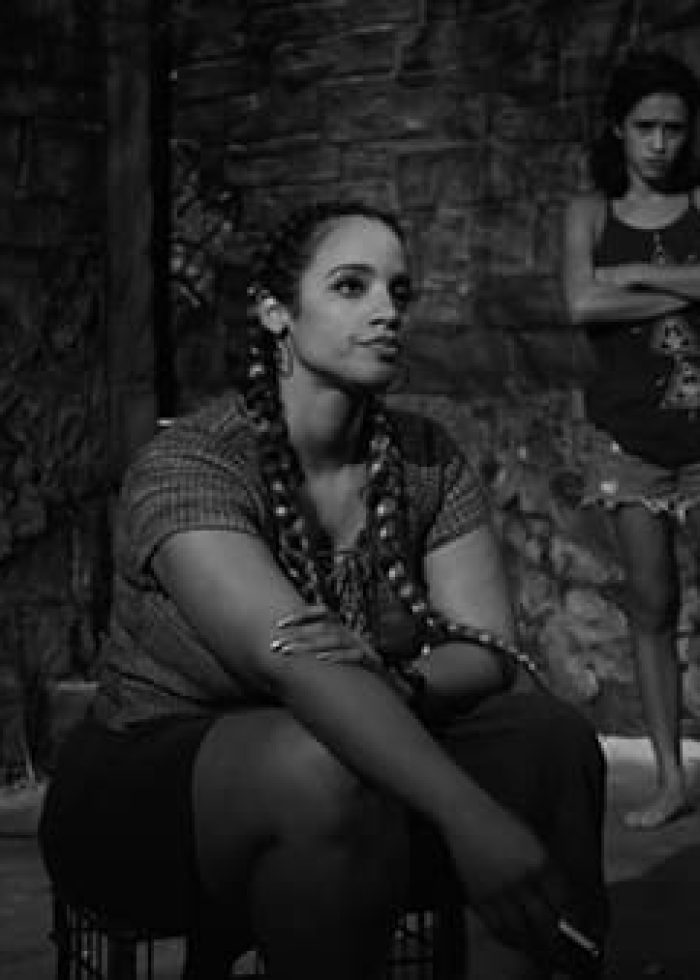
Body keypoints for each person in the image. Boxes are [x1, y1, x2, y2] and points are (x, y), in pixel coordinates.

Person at [40, 200, 608, 979]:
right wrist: (468, 815)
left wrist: (393, 674)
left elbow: (490, 651)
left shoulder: (424, 458)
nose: (385, 312)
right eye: (351, 286)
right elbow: (292, 664)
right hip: (156, 780)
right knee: (320, 764)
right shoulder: (192, 467)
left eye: (398, 293)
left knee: (550, 740)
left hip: (365, 749)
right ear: (277, 313)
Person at [563, 49, 700, 830]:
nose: (659, 143)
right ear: (619, 128)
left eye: (674, 129)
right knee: (651, 603)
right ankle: (671, 780)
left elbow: (605, 290)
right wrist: (679, 281)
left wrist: (632, 281)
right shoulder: (588, 213)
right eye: (645, 127)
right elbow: (581, 301)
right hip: (629, 440)